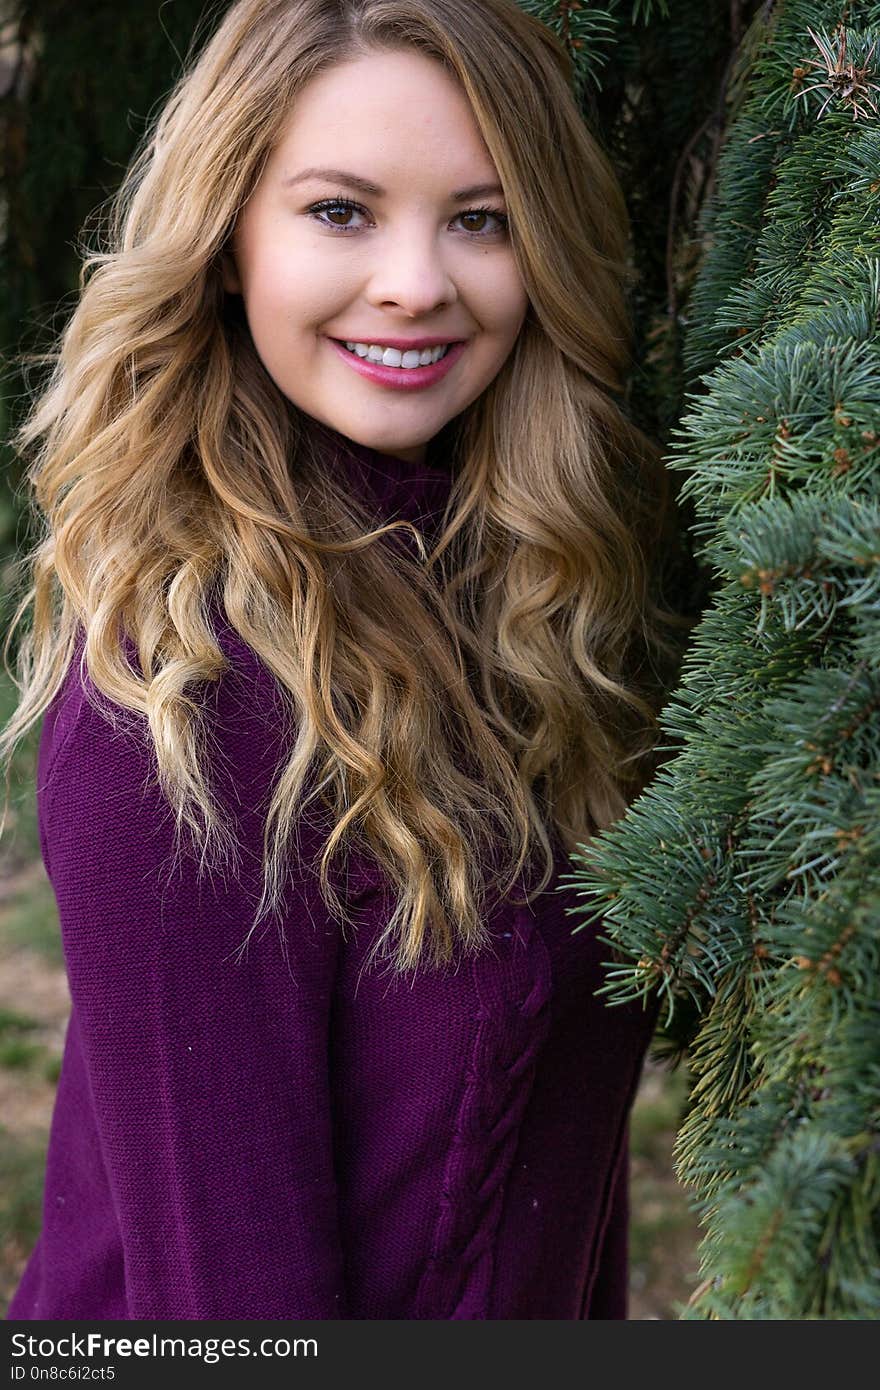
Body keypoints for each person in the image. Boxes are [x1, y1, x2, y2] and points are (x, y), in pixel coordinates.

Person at [3, 0, 682, 1320]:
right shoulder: (182, 694)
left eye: (479, 218)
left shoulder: (538, 608)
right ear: (226, 238)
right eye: (342, 211)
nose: (417, 280)